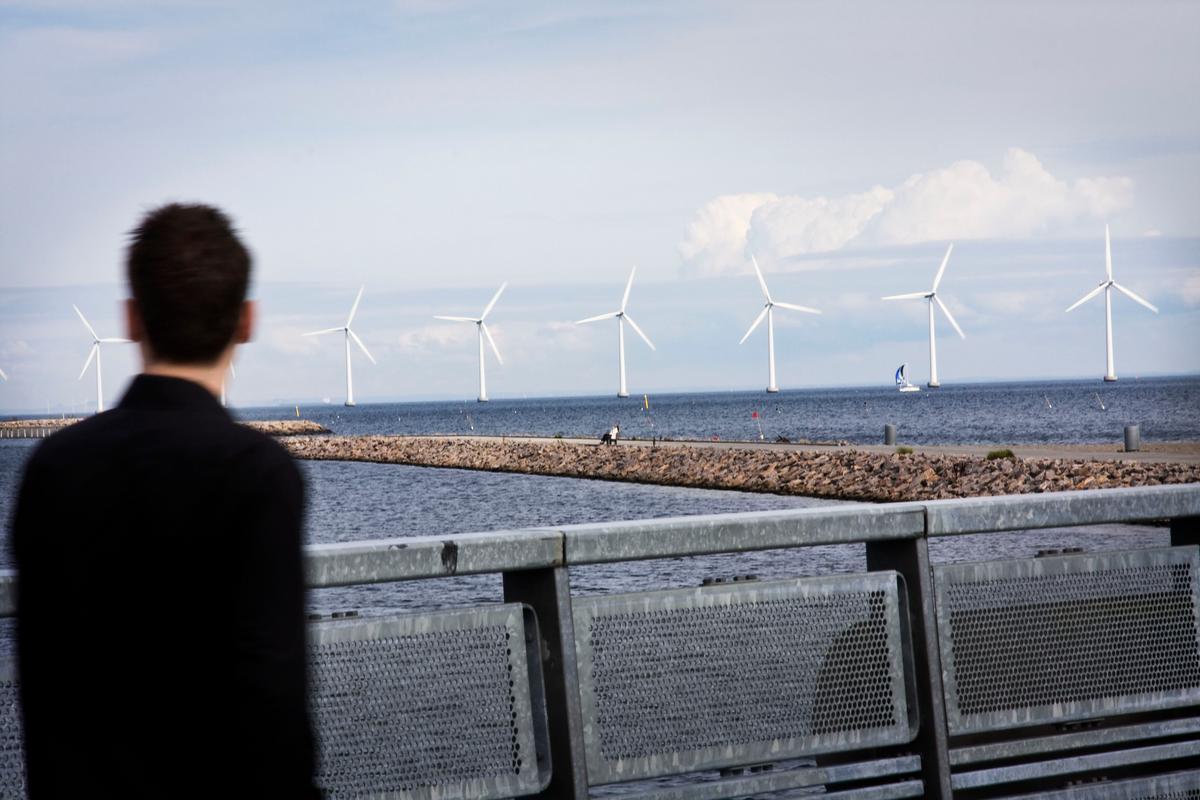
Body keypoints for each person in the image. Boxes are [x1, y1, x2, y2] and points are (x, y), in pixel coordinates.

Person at [10, 204, 319, 797]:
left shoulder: (52, 467)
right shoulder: (257, 473)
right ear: (246, 321)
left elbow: (41, 684)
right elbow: (271, 699)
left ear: (131, 318)